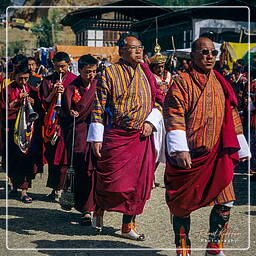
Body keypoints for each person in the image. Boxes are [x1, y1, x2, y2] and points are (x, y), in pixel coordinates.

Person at [163, 37, 250, 256]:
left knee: (226, 200)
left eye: (213, 53)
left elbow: (231, 114)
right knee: (181, 205)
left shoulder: (220, 81)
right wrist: (179, 148)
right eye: (204, 52)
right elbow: (174, 113)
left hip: (216, 154)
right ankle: (183, 248)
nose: (209, 56)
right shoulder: (182, 82)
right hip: (189, 155)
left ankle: (214, 246)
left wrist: (241, 146)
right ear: (192, 56)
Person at [87, 34, 164, 240]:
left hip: (141, 137)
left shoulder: (148, 74)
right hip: (117, 136)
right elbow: (98, 107)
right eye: (133, 48)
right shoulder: (109, 73)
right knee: (110, 182)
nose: (139, 51)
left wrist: (151, 121)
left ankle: (127, 226)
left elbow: (159, 101)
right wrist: (96, 138)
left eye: (140, 47)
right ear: (121, 51)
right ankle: (99, 211)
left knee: (138, 184)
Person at [61, 55, 98, 225]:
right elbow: (67, 111)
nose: (91, 75)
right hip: (79, 134)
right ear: (80, 70)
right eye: (87, 72)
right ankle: (85, 208)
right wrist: (71, 112)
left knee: (96, 169)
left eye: (93, 71)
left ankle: (96, 206)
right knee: (83, 169)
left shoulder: (98, 85)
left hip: (96, 132)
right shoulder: (71, 88)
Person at [0, 65, 41, 203]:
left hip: (28, 131)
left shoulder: (32, 89)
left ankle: (24, 191)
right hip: (11, 130)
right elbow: (4, 108)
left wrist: (32, 101)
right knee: (12, 159)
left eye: (26, 79)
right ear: (14, 76)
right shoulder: (8, 89)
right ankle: (13, 185)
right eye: (21, 78)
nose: (24, 82)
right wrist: (17, 100)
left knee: (27, 159)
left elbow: (40, 106)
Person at [40, 51, 77, 201]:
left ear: (68, 64)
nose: (60, 70)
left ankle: (64, 188)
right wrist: (54, 92)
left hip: (68, 123)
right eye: (57, 67)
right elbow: (43, 103)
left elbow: (78, 101)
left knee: (65, 158)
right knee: (52, 156)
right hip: (52, 124)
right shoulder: (47, 81)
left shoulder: (75, 80)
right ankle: (55, 188)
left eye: (63, 67)